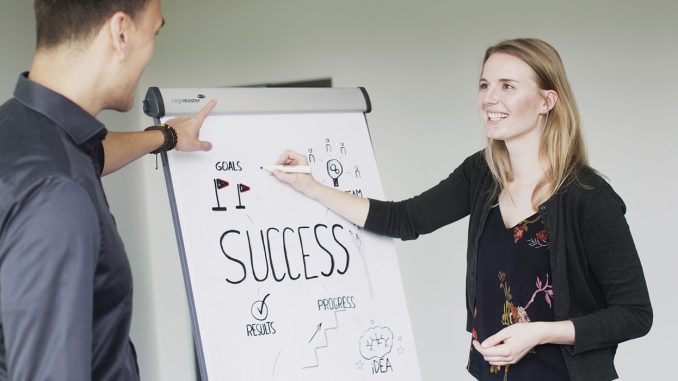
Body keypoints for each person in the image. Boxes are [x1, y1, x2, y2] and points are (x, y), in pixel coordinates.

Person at [272, 38, 652, 381]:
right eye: (485, 85)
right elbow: (404, 219)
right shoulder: (481, 173)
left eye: (507, 86)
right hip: (491, 374)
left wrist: (540, 332)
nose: (489, 98)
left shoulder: (589, 196)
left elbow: (635, 314)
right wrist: (311, 186)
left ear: (546, 101)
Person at [0, 0, 214, 379]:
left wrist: (166, 136)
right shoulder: (57, 193)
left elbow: (90, 153)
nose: (151, 52)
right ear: (121, 33)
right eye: (155, 32)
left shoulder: (21, 131)